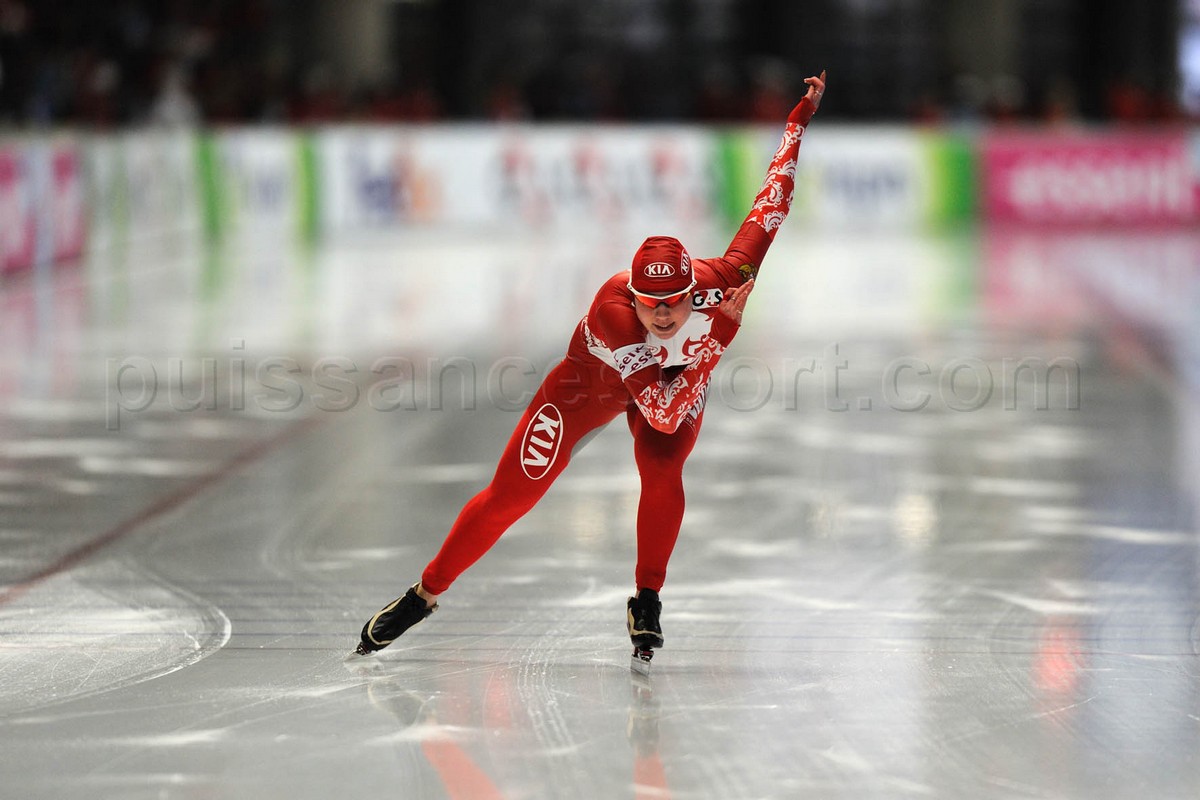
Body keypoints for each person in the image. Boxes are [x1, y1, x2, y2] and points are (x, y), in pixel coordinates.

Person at [356, 70, 828, 660]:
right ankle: (423, 594)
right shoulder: (615, 312)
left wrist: (796, 123)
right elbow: (662, 412)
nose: (663, 315)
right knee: (511, 497)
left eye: (675, 302)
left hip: (672, 381)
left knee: (663, 470)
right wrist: (720, 337)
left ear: (695, 290)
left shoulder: (725, 279)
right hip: (591, 386)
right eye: (650, 303)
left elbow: (772, 200)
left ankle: (647, 599)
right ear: (633, 296)